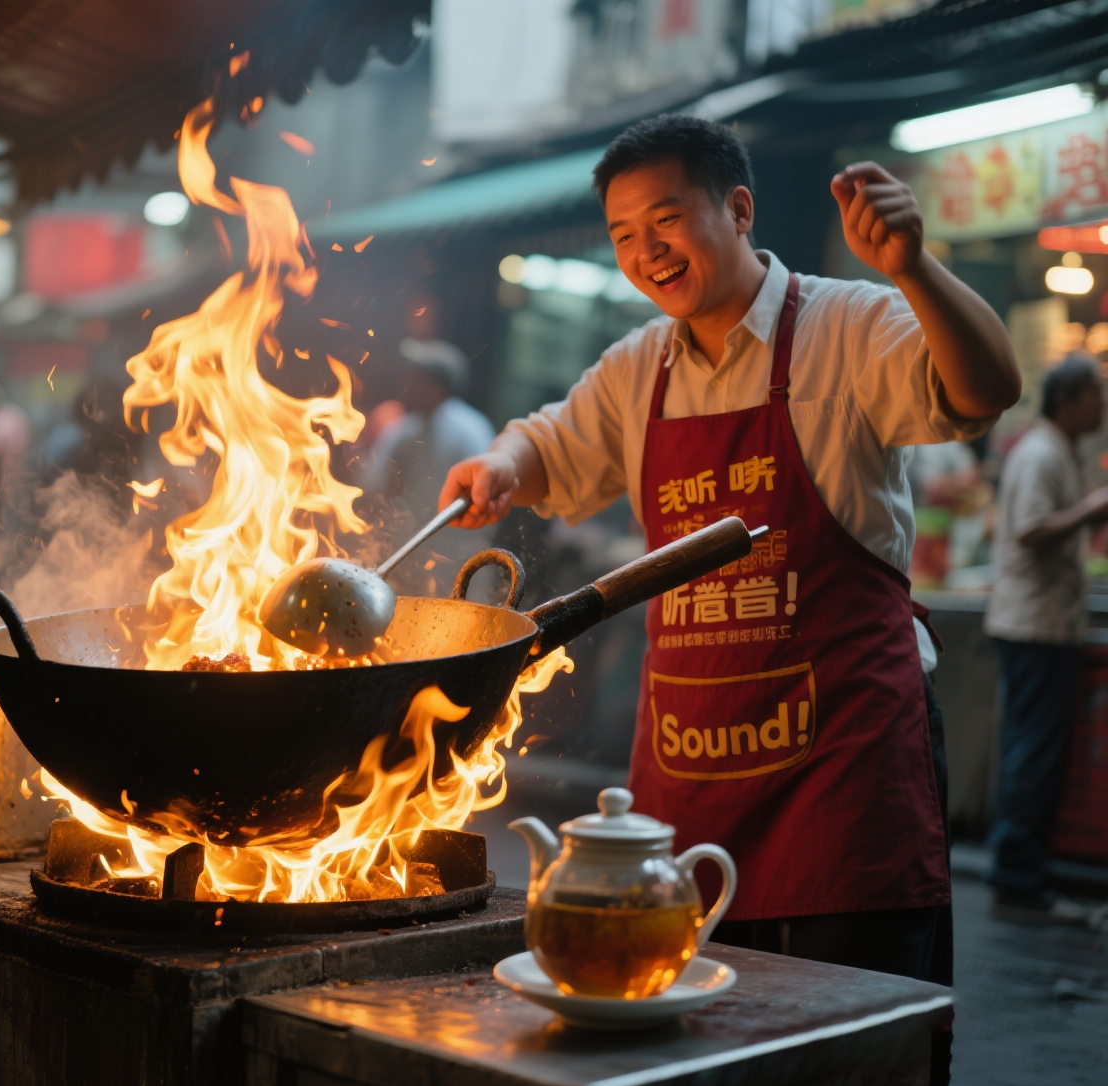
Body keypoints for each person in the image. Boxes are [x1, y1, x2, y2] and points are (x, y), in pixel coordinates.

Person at [439, 115, 1021, 1001]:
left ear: (740, 210)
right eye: (623, 235)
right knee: (692, 1033)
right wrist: (501, 465)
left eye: (666, 220)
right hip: (692, 764)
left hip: (846, 763)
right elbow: (550, 443)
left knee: (848, 1030)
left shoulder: (849, 323)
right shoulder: (639, 367)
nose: (646, 252)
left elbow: (984, 391)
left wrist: (912, 269)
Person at [984, 355, 1108, 923]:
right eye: (1095, 396)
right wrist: (1093, 507)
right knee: (1032, 751)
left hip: (1044, 624)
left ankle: (1022, 868)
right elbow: (1031, 529)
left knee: (1035, 749)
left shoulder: (1057, 450)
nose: (1102, 406)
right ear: (1067, 400)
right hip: (1032, 626)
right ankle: (1017, 874)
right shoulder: (1040, 453)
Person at [362, 339, 494, 593]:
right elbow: (374, 487)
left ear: (436, 385)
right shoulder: (403, 430)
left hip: (459, 564)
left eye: (415, 378)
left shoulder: (470, 431)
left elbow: (486, 502)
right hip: (406, 560)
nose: (407, 384)